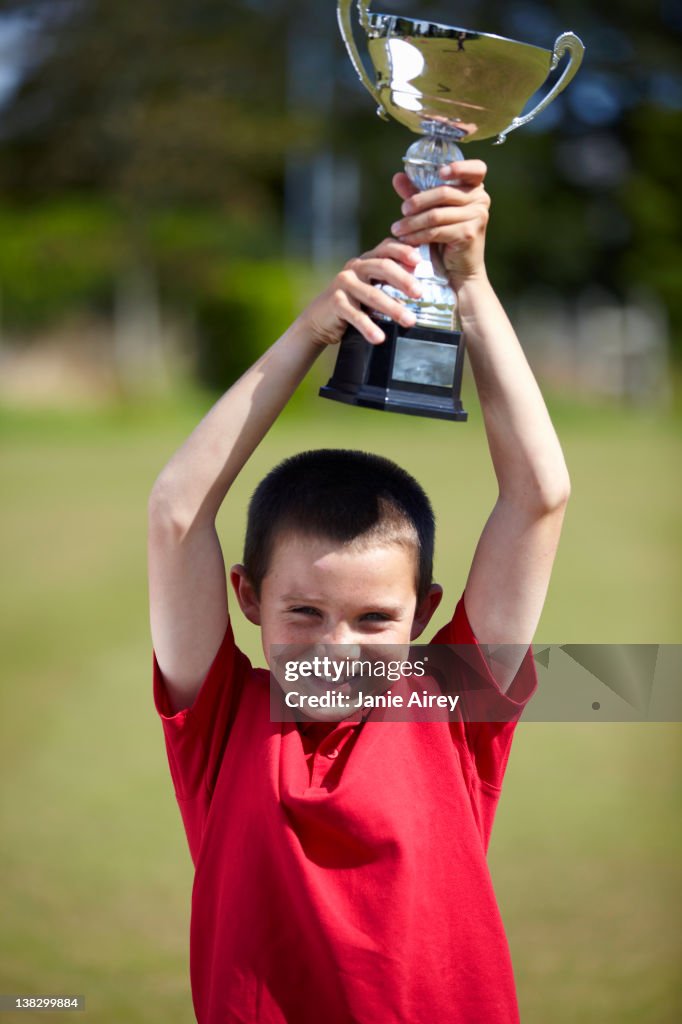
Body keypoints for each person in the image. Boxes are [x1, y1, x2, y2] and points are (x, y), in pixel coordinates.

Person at [147, 159, 570, 1023]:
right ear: (248, 597)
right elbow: (176, 515)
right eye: (304, 612)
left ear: (425, 612)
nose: (337, 647)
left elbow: (539, 496)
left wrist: (470, 285)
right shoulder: (221, 720)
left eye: (376, 618)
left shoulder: (454, 701)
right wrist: (310, 332)